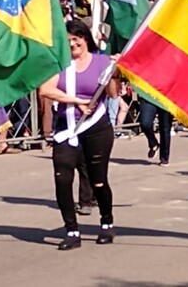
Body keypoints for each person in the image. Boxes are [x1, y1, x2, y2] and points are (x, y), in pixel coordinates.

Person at [39, 19, 119, 251]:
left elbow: (112, 95)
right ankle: (72, 230)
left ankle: (106, 221)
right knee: (62, 179)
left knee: (98, 180)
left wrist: (114, 74)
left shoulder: (102, 61)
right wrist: (75, 101)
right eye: (68, 40)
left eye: (76, 38)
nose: (72, 43)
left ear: (85, 39)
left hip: (97, 128)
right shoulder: (58, 63)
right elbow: (46, 90)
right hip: (67, 128)